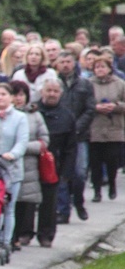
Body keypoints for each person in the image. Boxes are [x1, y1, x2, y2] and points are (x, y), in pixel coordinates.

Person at [0, 83, 29, 256]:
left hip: (11, 170)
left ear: (10, 97)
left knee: (8, 206)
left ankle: (5, 241)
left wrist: (13, 154)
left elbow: (22, 141)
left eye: (3, 94)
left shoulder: (20, 118)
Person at [55, 50, 95, 223]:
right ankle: (63, 210)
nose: (65, 65)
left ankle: (78, 201)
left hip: (79, 136)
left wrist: (76, 128)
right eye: (62, 61)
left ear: (74, 63)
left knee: (79, 173)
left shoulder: (85, 85)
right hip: (59, 135)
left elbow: (90, 109)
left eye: (68, 61)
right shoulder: (54, 84)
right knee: (62, 173)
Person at [9, 81, 50, 249]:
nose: (18, 98)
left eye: (21, 95)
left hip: (29, 165)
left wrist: (22, 147)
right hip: (7, 163)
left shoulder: (34, 115)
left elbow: (44, 141)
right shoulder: (4, 114)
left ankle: (20, 234)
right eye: (14, 94)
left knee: (24, 203)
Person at [37, 79, 77, 246]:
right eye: (49, 90)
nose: (52, 94)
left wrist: (67, 171)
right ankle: (23, 233)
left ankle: (46, 235)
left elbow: (71, 147)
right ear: (42, 92)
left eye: (55, 91)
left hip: (54, 163)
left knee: (49, 201)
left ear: (60, 93)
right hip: (32, 160)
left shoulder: (67, 116)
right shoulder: (33, 111)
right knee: (26, 200)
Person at [88, 54, 125, 202]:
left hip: (114, 127)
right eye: (97, 67)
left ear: (110, 68)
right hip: (94, 128)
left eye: (103, 66)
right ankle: (97, 190)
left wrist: (115, 107)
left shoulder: (120, 84)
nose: (100, 70)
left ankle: (112, 184)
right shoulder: (88, 84)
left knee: (112, 159)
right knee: (95, 162)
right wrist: (95, 107)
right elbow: (84, 103)